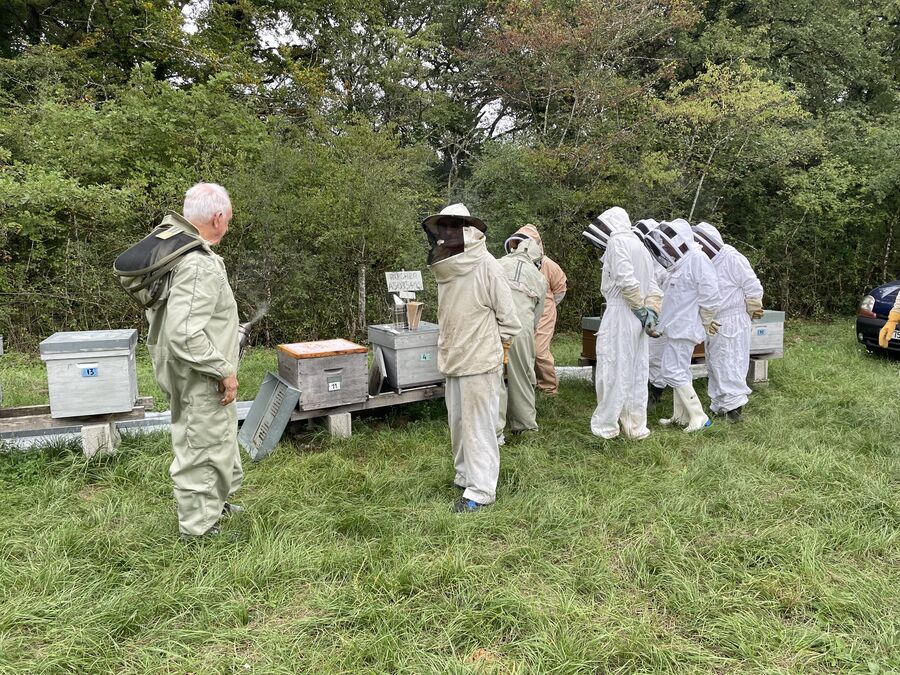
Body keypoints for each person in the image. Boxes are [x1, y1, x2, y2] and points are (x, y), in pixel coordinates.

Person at [145, 183, 243, 538]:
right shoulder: (197, 264)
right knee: (201, 446)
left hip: (191, 369)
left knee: (218, 437)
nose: (228, 226)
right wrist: (222, 369)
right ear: (217, 217)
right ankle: (199, 529)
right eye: (228, 219)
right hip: (201, 373)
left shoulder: (177, 251)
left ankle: (217, 503)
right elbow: (185, 333)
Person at [422, 204, 521, 513]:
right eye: (444, 228)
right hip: (453, 356)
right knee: (459, 423)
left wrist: (496, 350)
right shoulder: (447, 267)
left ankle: (481, 491)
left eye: (453, 227)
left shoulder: (488, 266)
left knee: (478, 426)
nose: (447, 233)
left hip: (479, 359)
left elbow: (510, 319)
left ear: (468, 231)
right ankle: (466, 475)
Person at [582, 207, 662, 440]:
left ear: (610, 225)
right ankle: (634, 427)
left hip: (621, 313)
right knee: (636, 371)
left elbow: (626, 280)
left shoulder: (617, 242)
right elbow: (655, 288)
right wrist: (650, 314)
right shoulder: (641, 246)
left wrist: (639, 310)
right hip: (637, 318)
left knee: (613, 368)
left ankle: (606, 427)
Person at [647, 219, 720, 432]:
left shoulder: (697, 259)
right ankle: (680, 416)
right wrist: (660, 326)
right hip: (676, 327)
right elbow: (674, 302)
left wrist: (707, 318)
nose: (666, 247)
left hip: (686, 328)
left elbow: (711, 293)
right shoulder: (680, 265)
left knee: (672, 370)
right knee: (679, 371)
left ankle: (699, 416)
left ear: (681, 240)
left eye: (669, 242)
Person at [692, 222, 764, 422]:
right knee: (715, 363)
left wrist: (753, 306)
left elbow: (752, 284)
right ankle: (720, 405)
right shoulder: (704, 261)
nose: (698, 245)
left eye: (700, 241)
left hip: (733, 318)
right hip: (715, 320)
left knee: (730, 362)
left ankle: (735, 409)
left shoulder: (732, 258)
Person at [497, 235, 547, 439]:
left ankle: (493, 429)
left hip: (495, 324)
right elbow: (537, 314)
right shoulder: (539, 278)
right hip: (522, 328)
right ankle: (524, 425)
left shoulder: (497, 263)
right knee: (522, 375)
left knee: (493, 375)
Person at [506, 224, 567, 394]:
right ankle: (529, 383)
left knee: (539, 351)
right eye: (516, 242)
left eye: (522, 242)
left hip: (545, 311)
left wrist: (548, 305)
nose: (518, 246)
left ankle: (549, 387)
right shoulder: (511, 263)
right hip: (520, 310)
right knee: (520, 348)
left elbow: (560, 290)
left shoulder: (549, 265)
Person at [632, 218, 669, 408]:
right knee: (643, 355)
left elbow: (662, 292)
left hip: (660, 315)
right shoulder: (641, 259)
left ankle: (655, 394)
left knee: (655, 356)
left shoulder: (663, 264)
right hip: (642, 314)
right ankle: (643, 392)